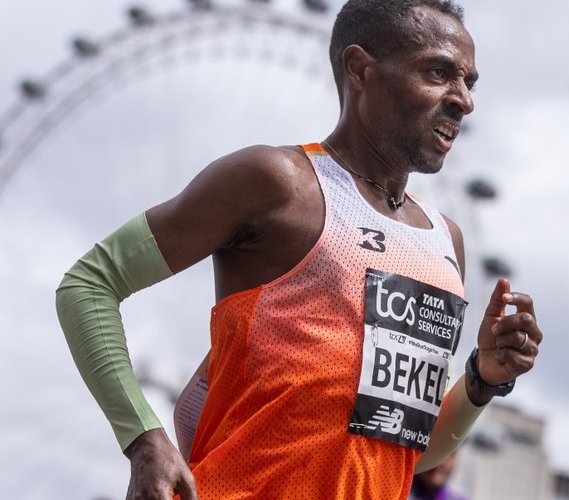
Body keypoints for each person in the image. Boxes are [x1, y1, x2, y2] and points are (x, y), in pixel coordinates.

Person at [55, 0, 543, 498]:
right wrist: (143, 438)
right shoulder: (275, 183)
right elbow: (89, 284)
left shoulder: (446, 242)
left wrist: (484, 379)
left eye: (469, 82)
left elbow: (406, 451)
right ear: (360, 70)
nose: (463, 99)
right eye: (439, 72)